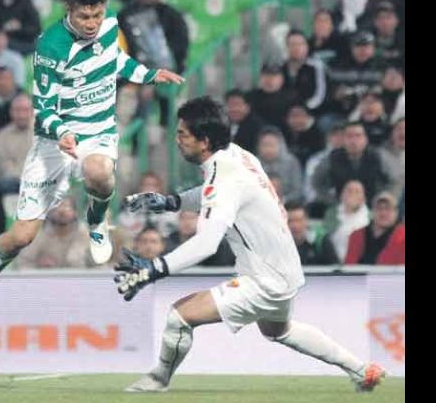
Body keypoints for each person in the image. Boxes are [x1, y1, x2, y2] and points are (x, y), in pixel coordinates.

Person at [0, 0, 184, 331]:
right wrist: (61, 133)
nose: (92, 23)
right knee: (21, 236)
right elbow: (43, 106)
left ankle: (97, 222)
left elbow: (116, 61)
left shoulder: (110, 24)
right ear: (68, 10)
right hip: (54, 140)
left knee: (99, 172)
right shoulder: (50, 46)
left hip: (97, 132)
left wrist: (148, 74)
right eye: (84, 16)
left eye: (97, 14)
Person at [117, 96, 385, 393]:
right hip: (283, 269)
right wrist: (172, 202)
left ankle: (157, 381)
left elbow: (206, 243)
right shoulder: (236, 154)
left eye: (182, 134)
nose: (177, 140)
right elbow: (213, 193)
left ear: (204, 141)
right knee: (280, 331)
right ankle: (362, 370)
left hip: (265, 278)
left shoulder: (224, 179)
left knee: (180, 316)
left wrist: (155, 268)